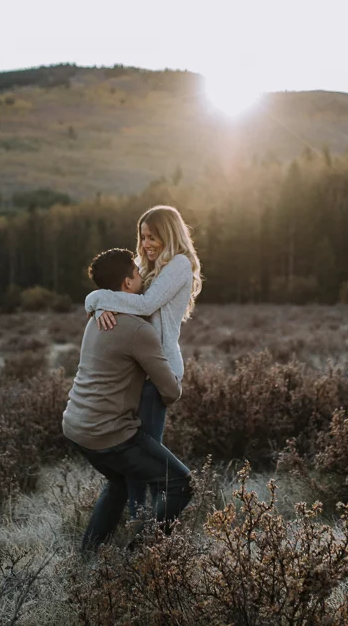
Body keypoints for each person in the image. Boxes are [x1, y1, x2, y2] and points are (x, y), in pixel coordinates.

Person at [63, 248, 193, 552]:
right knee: (181, 485)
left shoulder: (97, 319)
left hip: (75, 426)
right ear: (127, 283)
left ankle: (87, 555)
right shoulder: (137, 329)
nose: (141, 277)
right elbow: (171, 392)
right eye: (137, 272)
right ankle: (141, 556)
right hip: (109, 433)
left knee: (120, 482)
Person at [84, 205, 202, 517]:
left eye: (153, 237)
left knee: (147, 454)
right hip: (135, 372)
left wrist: (96, 300)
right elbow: (120, 287)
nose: (146, 244)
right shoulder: (149, 265)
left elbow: (145, 302)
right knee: (135, 454)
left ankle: (150, 532)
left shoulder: (178, 264)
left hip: (158, 370)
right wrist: (98, 306)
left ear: (169, 234)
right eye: (143, 237)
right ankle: (141, 521)